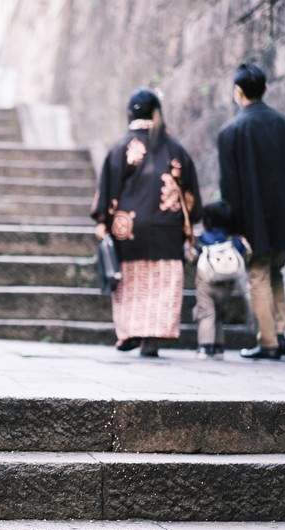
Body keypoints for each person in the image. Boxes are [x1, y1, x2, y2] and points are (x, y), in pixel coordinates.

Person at [92, 88, 202, 357]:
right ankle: (152, 336)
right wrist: (191, 223)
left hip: (129, 229)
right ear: (157, 112)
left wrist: (103, 220)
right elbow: (189, 194)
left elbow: (109, 189)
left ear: (130, 112)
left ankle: (131, 331)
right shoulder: (175, 148)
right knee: (162, 283)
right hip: (167, 228)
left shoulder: (120, 148)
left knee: (131, 283)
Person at [218, 64, 285, 360]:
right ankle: (281, 331)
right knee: (276, 271)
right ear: (266, 89)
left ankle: (269, 340)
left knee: (258, 274)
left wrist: (234, 227)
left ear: (238, 92)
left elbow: (230, 187)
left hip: (254, 221)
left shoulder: (231, 132)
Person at [194, 200, 250, 360]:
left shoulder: (204, 237)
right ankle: (219, 346)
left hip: (207, 282)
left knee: (206, 313)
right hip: (227, 283)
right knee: (219, 315)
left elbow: (194, 254)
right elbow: (243, 253)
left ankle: (205, 346)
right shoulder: (233, 239)